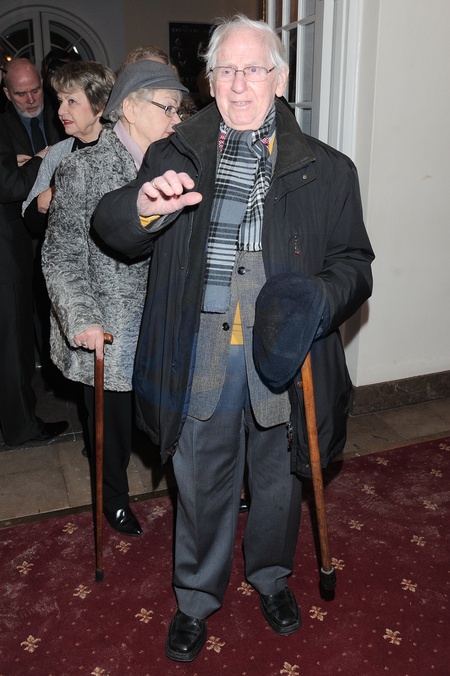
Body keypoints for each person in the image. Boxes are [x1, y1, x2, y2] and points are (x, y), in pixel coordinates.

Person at [92, 15, 374, 662]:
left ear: (281, 79)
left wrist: (319, 299)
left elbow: (355, 264)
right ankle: (196, 597)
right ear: (210, 79)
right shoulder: (175, 152)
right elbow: (112, 225)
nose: (240, 83)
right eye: (226, 70)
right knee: (202, 479)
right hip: (201, 347)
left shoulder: (328, 169)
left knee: (278, 477)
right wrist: (144, 209)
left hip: (285, 350)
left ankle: (271, 577)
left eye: (254, 69)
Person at [41, 61, 188, 537]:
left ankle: (194, 490)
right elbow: (61, 255)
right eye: (168, 108)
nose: (176, 118)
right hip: (109, 330)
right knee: (113, 431)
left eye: (179, 110)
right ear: (131, 107)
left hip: (164, 322)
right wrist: (81, 319)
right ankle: (114, 498)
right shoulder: (82, 168)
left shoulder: (177, 163)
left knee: (174, 418)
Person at [0, 118, 68, 446]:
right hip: (4, 255)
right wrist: (41, 158)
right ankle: (22, 429)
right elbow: (10, 187)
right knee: (14, 347)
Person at [2, 57, 66, 374]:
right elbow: (8, 185)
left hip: (62, 228)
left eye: (35, 90)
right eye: (20, 94)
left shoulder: (63, 113)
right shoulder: (3, 126)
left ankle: (59, 375)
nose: (30, 100)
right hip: (21, 237)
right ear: (7, 94)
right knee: (28, 310)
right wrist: (26, 165)